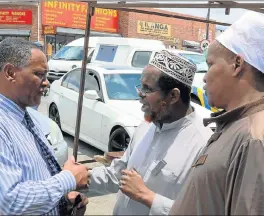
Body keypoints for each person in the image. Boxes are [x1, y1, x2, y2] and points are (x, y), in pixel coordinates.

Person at [169, 11, 264, 215]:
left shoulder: (256, 140)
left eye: (210, 64)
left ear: (237, 64)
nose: (205, 78)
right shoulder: (239, 126)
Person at [0, 38, 89, 215]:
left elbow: (33, 180)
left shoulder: (24, 116)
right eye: (39, 74)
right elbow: (10, 203)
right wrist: (67, 179)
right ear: (10, 73)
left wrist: (62, 201)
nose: (46, 82)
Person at [88, 50, 214, 215]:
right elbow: (118, 175)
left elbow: (200, 211)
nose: (140, 94)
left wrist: (146, 196)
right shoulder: (146, 127)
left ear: (173, 96)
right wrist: (74, 180)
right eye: (141, 86)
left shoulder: (203, 144)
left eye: (147, 89)